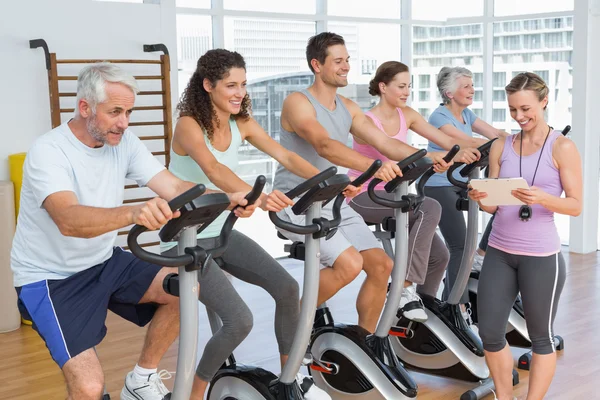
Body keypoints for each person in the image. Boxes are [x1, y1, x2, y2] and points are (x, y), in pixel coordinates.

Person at [10, 62, 254, 400]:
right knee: (90, 388)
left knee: (184, 288)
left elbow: (173, 186)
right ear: (85, 108)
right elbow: (68, 220)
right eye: (115, 112)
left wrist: (227, 198)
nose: (124, 122)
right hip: (51, 279)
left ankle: (141, 378)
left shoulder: (123, 142)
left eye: (128, 112)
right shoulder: (49, 152)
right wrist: (132, 213)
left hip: (104, 261)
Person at [161, 48, 333, 400]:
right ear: (208, 85)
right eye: (230, 85)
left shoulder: (242, 123)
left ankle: (290, 380)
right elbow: (212, 169)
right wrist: (254, 195)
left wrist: (328, 179)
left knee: (287, 288)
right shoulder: (189, 124)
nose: (240, 92)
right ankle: (194, 393)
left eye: (243, 84)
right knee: (240, 321)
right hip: (185, 242)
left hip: (221, 233)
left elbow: (284, 155)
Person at [272, 32, 463, 335]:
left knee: (381, 266)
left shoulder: (348, 107)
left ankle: (367, 341)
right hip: (297, 202)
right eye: (338, 61)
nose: (346, 66)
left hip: (334, 200)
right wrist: (374, 167)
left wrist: (430, 157)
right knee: (349, 266)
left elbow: (385, 143)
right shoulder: (298, 102)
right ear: (316, 65)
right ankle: (293, 323)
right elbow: (324, 145)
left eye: (347, 59)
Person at [468, 72, 582, 400]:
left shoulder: (562, 146)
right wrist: (482, 198)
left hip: (542, 256)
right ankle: (504, 397)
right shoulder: (502, 145)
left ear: (544, 102)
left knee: (540, 338)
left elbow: (575, 205)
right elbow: (493, 204)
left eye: (526, 108)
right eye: (513, 109)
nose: (519, 117)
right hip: (499, 251)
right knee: (489, 331)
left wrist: (541, 198)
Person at [348, 60, 483, 321]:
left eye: (409, 86)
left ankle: (424, 314)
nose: (406, 91)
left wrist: (466, 151)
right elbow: (391, 150)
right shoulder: (367, 121)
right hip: (364, 195)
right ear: (383, 86)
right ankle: (404, 288)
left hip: (395, 196)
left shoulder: (407, 114)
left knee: (440, 257)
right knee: (429, 206)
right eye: (400, 86)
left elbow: (445, 141)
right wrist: (436, 158)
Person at [424, 66, 508, 314]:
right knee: (460, 246)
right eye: (466, 86)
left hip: (464, 182)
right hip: (439, 185)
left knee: (504, 207)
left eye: (472, 85)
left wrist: (526, 139)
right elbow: (464, 142)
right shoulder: (439, 117)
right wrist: (500, 145)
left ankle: (481, 254)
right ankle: (454, 305)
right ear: (449, 93)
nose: (472, 89)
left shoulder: (468, 115)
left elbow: (495, 134)